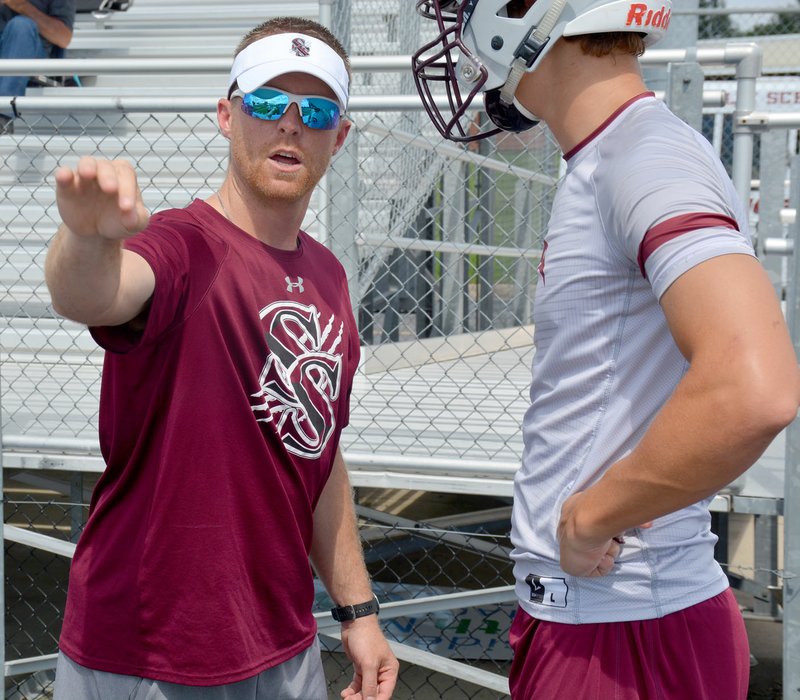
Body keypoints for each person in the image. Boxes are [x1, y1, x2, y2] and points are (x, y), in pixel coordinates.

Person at [412, 1, 800, 698]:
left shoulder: (640, 155)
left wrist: (594, 516)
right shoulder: (615, 153)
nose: (463, 35)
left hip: (627, 633)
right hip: (609, 618)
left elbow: (755, 388)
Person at [45, 15, 398, 700]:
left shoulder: (329, 276)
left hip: (284, 647)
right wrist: (85, 238)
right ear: (226, 114)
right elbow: (93, 293)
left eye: (317, 109)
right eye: (268, 103)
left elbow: (318, 454)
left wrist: (357, 611)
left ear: (340, 137)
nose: (290, 124)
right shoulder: (184, 244)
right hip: (148, 656)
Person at [0, 0, 76, 133]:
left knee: (21, 25)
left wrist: (21, 6)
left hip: (34, 56)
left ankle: (2, 117)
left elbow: (64, 37)